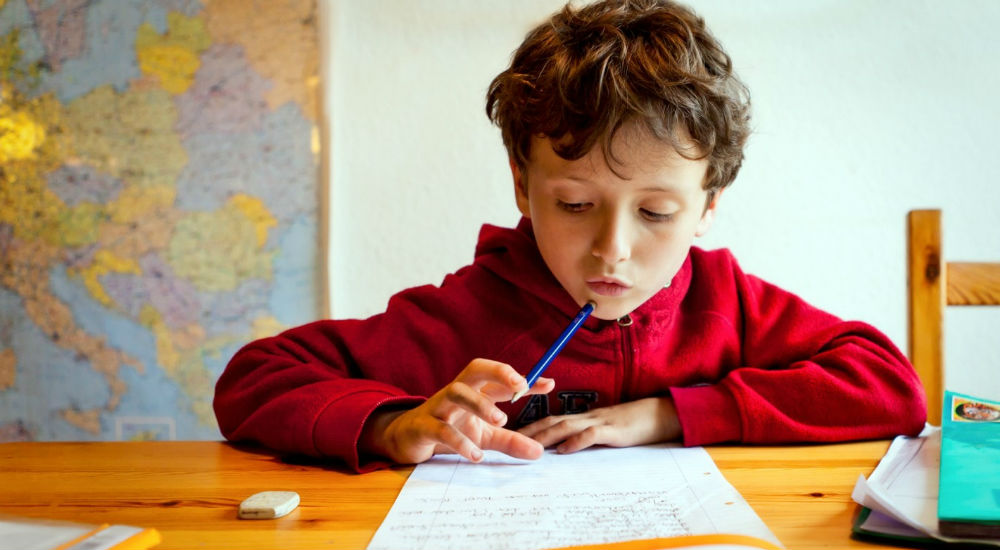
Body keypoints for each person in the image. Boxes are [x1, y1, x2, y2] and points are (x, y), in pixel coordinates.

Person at [213, 0, 926, 473]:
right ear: (523, 185)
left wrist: (666, 416)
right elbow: (255, 378)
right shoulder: (466, 314)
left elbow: (891, 386)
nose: (612, 250)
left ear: (708, 205)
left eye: (655, 213)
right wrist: (391, 425)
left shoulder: (724, 303)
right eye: (576, 203)